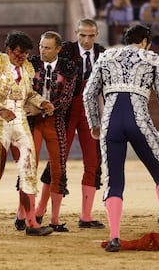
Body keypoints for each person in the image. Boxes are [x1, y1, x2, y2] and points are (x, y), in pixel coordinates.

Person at [83, 24, 159, 252]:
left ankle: (114, 237)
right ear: (145, 42)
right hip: (138, 120)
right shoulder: (151, 58)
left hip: (111, 123)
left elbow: (88, 93)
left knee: (114, 182)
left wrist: (95, 124)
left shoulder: (105, 56)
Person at [0, 30, 55, 236]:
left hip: (20, 122)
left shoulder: (27, 68)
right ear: (9, 50)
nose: (22, 57)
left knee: (28, 170)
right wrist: (0, 109)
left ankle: (31, 222)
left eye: (26, 54)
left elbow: (29, 93)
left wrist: (42, 102)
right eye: (19, 53)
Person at [16, 31, 76, 232]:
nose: (42, 51)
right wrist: (33, 108)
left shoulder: (68, 69)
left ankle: (55, 219)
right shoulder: (29, 64)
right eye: (41, 46)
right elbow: (23, 90)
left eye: (47, 47)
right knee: (28, 167)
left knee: (58, 170)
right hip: (32, 123)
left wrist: (40, 108)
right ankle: (23, 215)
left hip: (55, 122)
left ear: (58, 49)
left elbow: (65, 100)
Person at [57, 18, 106, 229]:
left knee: (93, 161)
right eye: (82, 35)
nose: (86, 40)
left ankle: (86, 216)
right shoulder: (65, 51)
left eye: (91, 36)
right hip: (66, 111)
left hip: (90, 111)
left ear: (96, 35)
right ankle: (43, 214)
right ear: (76, 33)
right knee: (58, 160)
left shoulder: (103, 53)